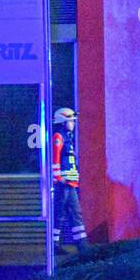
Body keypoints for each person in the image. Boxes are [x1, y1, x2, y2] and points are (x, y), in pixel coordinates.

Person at [51, 107, 88, 254]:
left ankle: (82, 246)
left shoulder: (67, 137)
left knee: (75, 213)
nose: (73, 123)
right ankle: (54, 245)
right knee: (59, 214)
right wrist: (59, 178)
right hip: (63, 184)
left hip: (70, 183)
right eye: (71, 121)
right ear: (63, 121)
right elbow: (55, 159)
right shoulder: (58, 137)